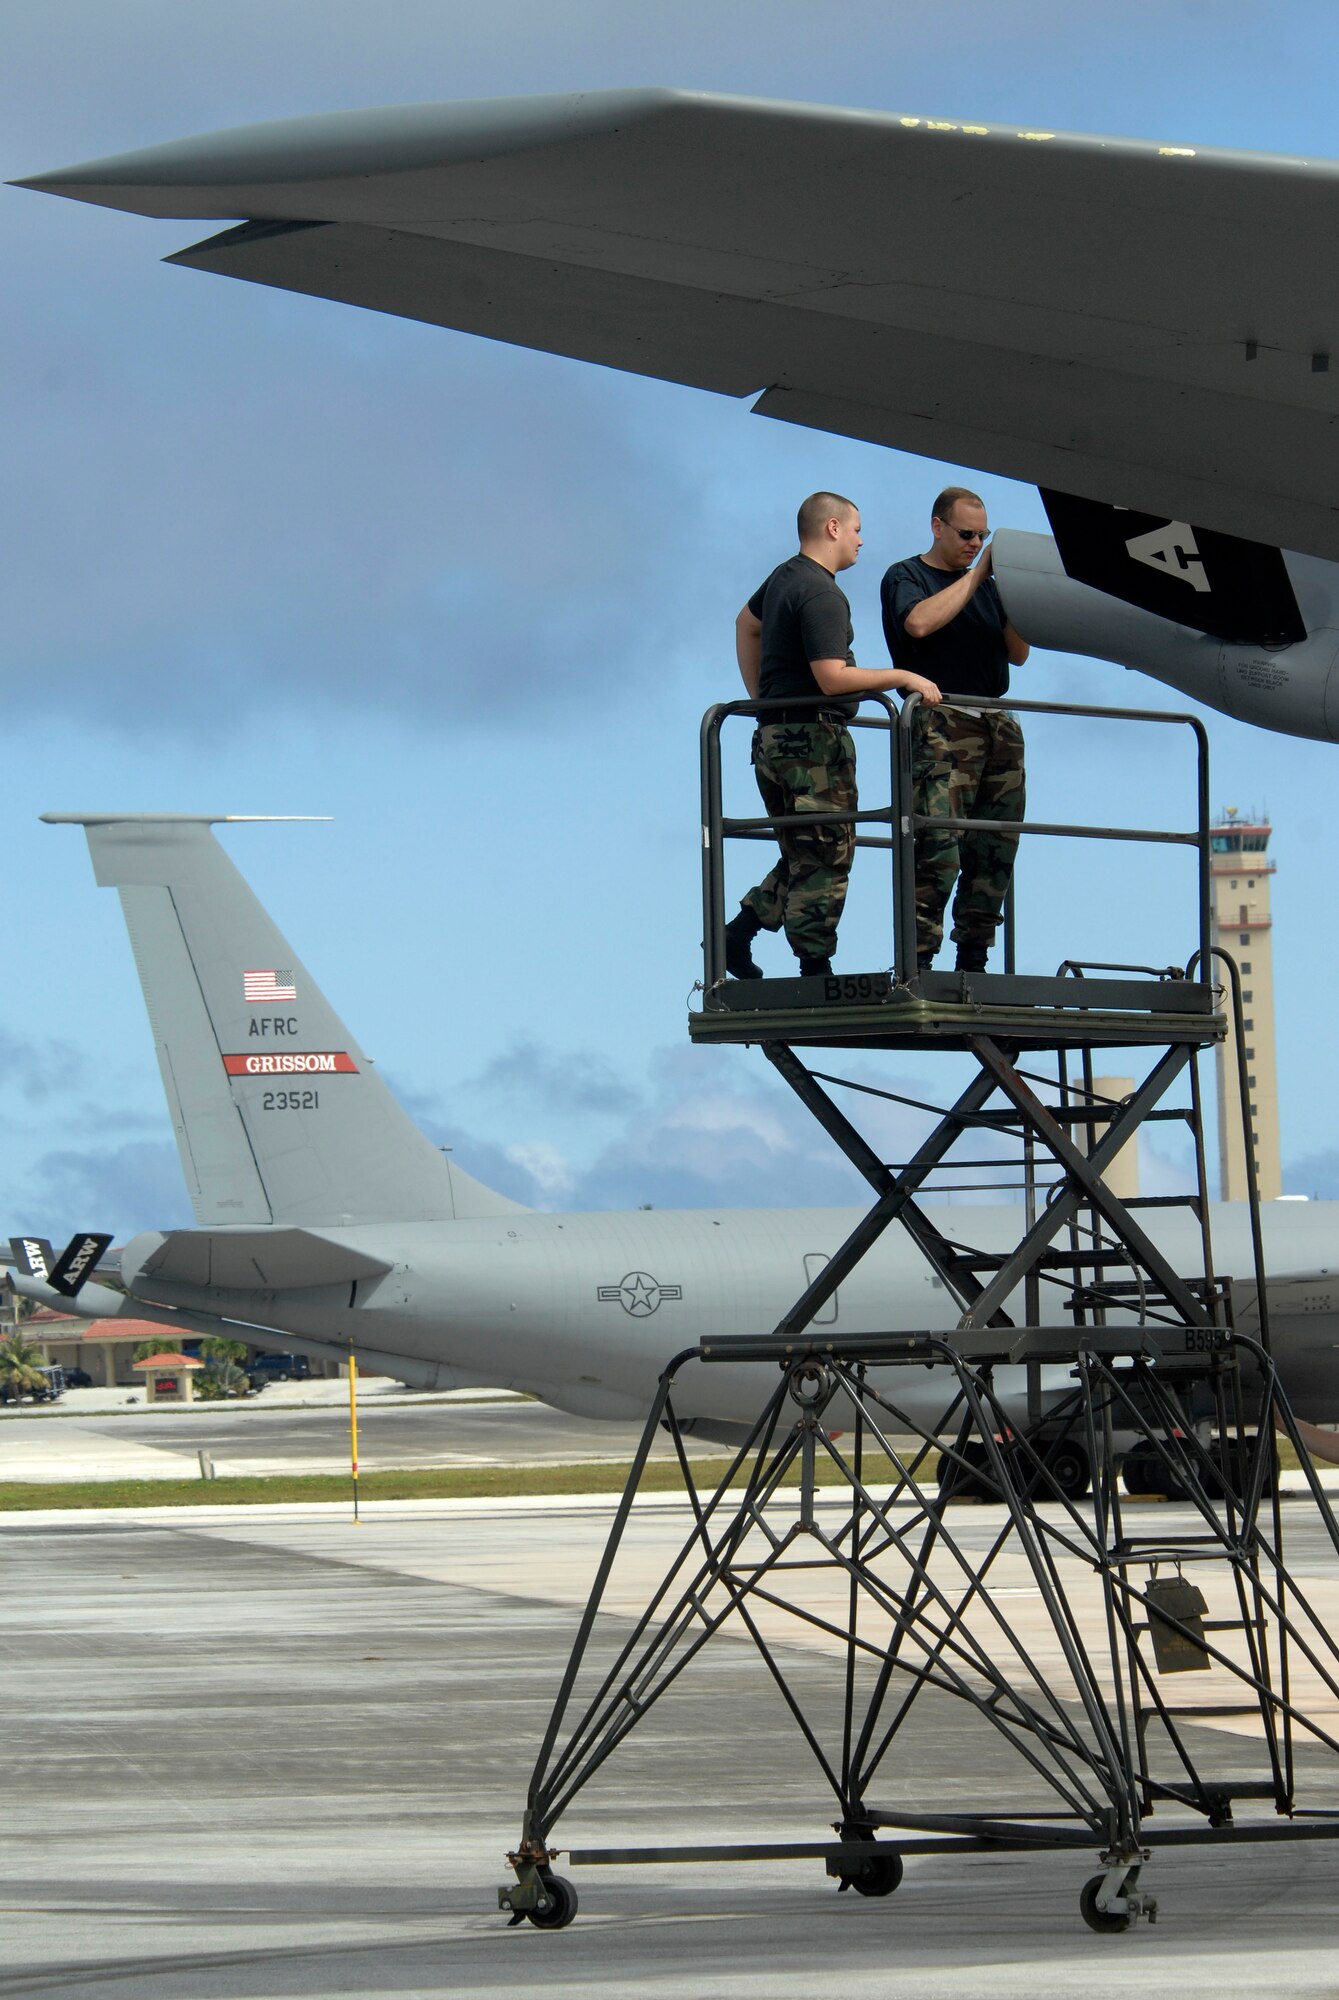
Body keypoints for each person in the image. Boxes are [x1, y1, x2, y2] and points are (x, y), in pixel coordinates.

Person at [726, 493, 941, 980]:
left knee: (806, 849)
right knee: (828, 852)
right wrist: (901, 676)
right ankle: (814, 967)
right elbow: (831, 677)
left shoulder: (785, 575)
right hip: (814, 744)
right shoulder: (823, 593)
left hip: (775, 739)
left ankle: (739, 933)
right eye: (857, 528)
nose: (862, 540)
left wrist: (764, 698)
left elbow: (746, 624)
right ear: (833, 528)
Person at [881, 486, 1030, 975]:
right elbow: (919, 624)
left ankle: (974, 958)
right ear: (937, 526)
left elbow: (1019, 652)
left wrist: (1009, 588)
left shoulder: (987, 586)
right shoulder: (907, 576)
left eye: (982, 536)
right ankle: (919, 960)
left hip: (995, 721)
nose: (974, 543)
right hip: (941, 722)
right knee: (937, 847)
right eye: (967, 534)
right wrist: (979, 574)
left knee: (995, 849)